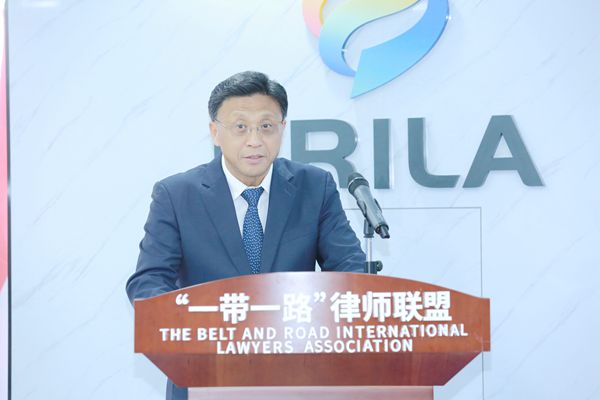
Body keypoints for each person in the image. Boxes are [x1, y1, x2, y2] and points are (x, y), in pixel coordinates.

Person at [126, 71, 365, 400]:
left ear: (282, 129)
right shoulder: (176, 195)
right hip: (205, 375)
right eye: (240, 127)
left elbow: (349, 269)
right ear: (215, 132)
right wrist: (193, 329)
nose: (254, 140)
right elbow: (148, 282)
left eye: (266, 126)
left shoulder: (314, 186)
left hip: (298, 375)